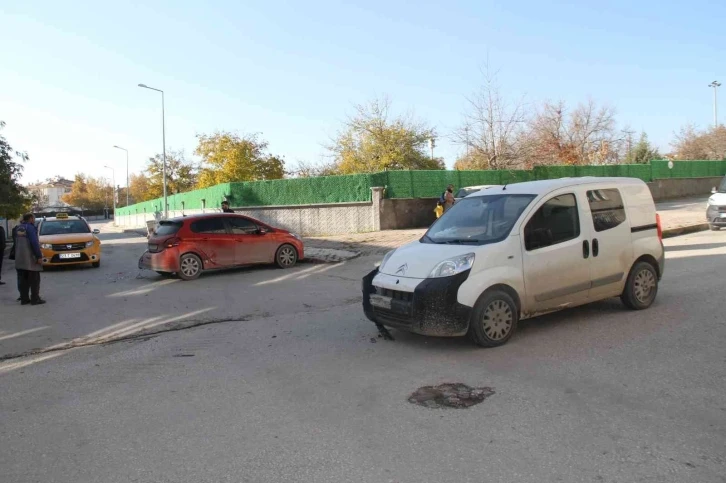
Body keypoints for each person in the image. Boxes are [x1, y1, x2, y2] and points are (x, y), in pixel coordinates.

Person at [14, 213, 45, 306]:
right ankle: (35, 299)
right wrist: (39, 256)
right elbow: (34, 243)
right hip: (30, 258)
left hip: (19, 258)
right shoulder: (30, 228)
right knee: (34, 279)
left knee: (22, 280)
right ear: (31, 218)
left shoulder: (18, 228)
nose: (34, 220)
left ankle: (24, 299)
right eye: (33, 218)